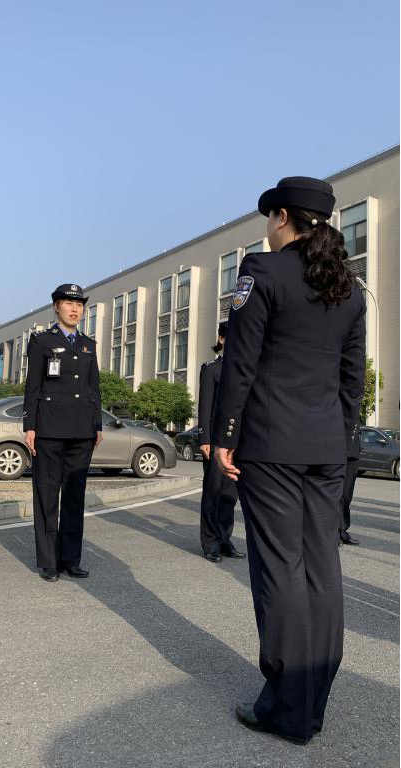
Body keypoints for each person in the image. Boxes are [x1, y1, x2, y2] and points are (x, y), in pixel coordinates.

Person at [212, 177, 366, 745]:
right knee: (321, 569)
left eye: (268, 219)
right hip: (326, 447)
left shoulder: (262, 270)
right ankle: (314, 700)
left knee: (280, 571)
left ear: (282, 217)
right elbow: (352, 380)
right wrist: (340, 440)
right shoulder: (349, 288)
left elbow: (241, 364)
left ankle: (286, 708)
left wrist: (223, 435)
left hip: (272, 446)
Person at [23, 283, 103, 583]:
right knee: (47, 495)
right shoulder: (42, 341)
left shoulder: (87, 344)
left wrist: (96, 425)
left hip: (81, 432)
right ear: (57, 306)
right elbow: (33, 387)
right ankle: (48, 561)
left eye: (79, 304)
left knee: (74, 497)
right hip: (49, 430)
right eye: (69, 303)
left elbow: (94, 388)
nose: (75, 309)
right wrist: (30, 425)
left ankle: (71, 559)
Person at [198, 321, 245, 563]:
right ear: (222, 339)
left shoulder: (246, 369)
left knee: (230, 495)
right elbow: (205, 406)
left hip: (239, 443)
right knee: (213, 493)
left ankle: (225, 539)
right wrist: (204, 438)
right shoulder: (211, 369)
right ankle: (210, 542)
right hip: (216, 441)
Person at [339, 427, 361, 546]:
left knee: (347, 495)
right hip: (338, 447)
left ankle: (343, 530)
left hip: (353, 450)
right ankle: (332, 533)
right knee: (335, 495)